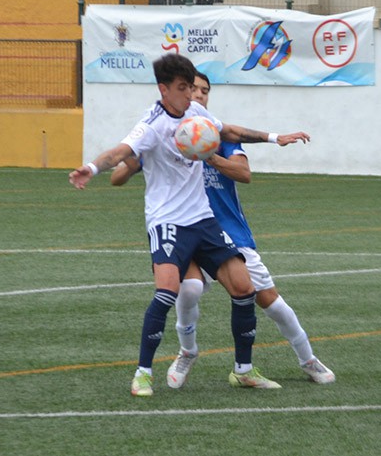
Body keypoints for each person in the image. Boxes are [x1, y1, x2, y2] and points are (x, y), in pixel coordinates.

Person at [69, 53, 310, 397]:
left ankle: (243, 370)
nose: (191, 95)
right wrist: (91, 169)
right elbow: (119, 152)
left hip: (202, 219)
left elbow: (227, 130)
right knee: (168, 291)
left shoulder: (195, 114)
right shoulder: (152, 125)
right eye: (183, 88)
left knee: (243, 289)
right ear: (164, 89)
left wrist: (275, 137)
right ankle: (143, 373)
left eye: (193, 88)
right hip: (168, 222)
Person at [111, 72, 335, 388]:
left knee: (269, 300)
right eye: (192, 89)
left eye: (204, 90)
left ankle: (307, 359)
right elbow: (122, 172)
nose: (197, 95)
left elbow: (244, 173)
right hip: (185, 227)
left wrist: (208, 153)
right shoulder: (165, 135)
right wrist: (125, 163)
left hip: (229, 233)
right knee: (187, 289)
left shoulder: (219, 138)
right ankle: (187, 352)